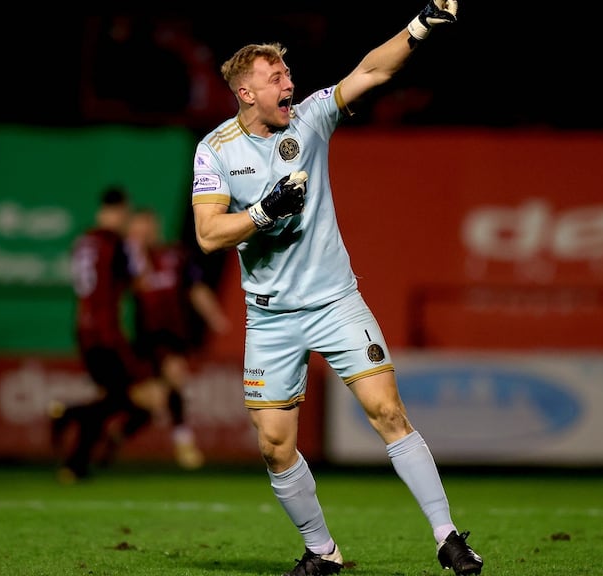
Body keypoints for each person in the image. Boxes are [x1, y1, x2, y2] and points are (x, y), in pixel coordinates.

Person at [190, 2, 483, 575]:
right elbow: (207, 235)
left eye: (289, 76)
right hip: (270, 317)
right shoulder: (215, 150)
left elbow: (372, 71)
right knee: (275, 444)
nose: (289, 85)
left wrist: (418, 27)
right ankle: (322, 553)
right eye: (276, 79)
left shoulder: (310, 119)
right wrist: (264, 212)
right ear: (246, 93)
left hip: (335, 303)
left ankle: (449, 537)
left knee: (388, 412)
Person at [98, 206, 231, 469]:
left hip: (172, 336)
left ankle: (173, 441)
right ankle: (115, 433)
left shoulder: (176, 256)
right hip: (144, 338)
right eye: (139, 228)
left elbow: (196, 289)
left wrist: (214, 317)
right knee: (151, 400)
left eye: (149, 227)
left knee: (171, 381)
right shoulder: (131, 262)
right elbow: (122, 290)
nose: (145, 233)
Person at [51, 185, 167, 483]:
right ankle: (69, 414)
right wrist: (138, 248)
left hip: (83, 330)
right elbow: (139, 283)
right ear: (120, 211)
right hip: (107, 334)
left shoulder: (83, 241)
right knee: (132, 398)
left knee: (111, 399)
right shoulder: (116, 244)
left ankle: (76, 465)